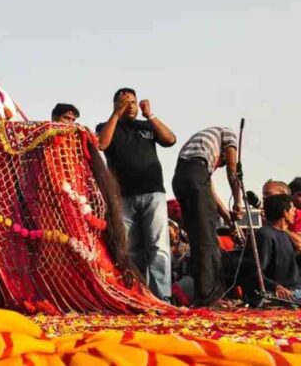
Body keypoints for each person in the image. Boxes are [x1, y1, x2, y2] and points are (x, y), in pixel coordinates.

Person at [96, 87, 177, 301]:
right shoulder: (106, 126)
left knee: (158, 246)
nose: (129, 105)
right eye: (124, 102)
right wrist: (116, 114)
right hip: (122, 196)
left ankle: (163, 297)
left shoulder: (146, 126)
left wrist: (150, 114)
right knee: (131, 250)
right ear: (115, 104)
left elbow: (170, 140)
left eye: (133, 101)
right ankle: (139, 296)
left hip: (153, 192)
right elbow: (101, 144)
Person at [171, 126, 243, 307]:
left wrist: (228, 218)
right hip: (194, 178)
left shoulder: (199, 153)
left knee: (199, 238)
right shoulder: (228, 134)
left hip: (181, 180)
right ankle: (209, 297)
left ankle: (204, 294)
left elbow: (209, 192)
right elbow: (233, 171)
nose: (220, 164)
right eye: (222, 162)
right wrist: (237, 201)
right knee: (207, 240)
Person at [247, 195, 301, 302]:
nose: (295, 213)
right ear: (285, 213)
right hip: (287, 292)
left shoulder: (286, 235)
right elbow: (255, 271)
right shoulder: (266, 235)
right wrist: (275, 286)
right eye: (292, 210)